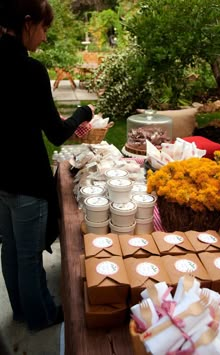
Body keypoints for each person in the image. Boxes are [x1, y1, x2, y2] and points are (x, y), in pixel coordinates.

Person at [0, 0, 94, 332]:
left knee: (10, 249)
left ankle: (22, 311)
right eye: (44, 29)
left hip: (3, 178)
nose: (44, 38)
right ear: (28, 23)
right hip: (28, 179)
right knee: (28, 257)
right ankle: (41, 315)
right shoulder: (30, 70)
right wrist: (83, 113)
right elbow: (55, 132)